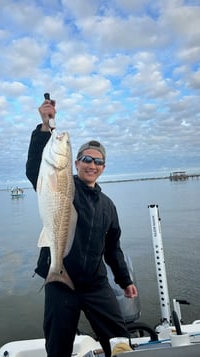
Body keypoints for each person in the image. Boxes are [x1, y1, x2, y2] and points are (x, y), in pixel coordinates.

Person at [26, 98, 138, 357]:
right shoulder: (63, 183)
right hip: (60, 281)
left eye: (98, 162)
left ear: (103, 168)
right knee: (58, 347)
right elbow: (35, 168)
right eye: (86, 159)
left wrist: (124, 280)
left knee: (120, 341)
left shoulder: (108, 206)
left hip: (96, 284)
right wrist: (44, 127)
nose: (92, 165)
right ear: (75, 163)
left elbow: (113, 249)